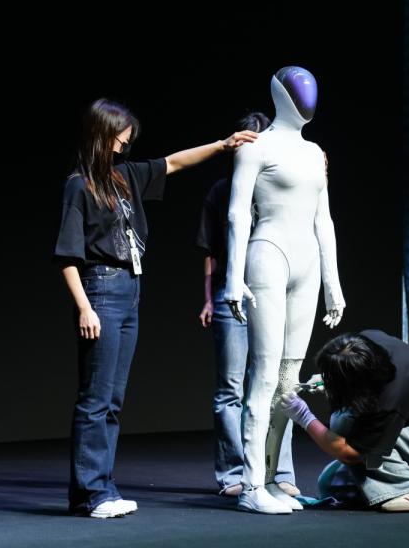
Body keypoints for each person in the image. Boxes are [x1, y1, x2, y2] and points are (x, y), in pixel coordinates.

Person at [54, 98, 257, 518]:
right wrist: (85, 308)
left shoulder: (125, 176)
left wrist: (223, 145)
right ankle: (90, 494)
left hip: (130, 288)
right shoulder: (79, 185)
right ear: (101, 134)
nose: (125, 144)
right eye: (120, 136)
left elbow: (175, 162)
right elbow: (68, 256)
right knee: (95, 398)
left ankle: (102, 488)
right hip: (101, 289)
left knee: (113, 400)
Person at [223, 66, 346, 514]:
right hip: (269, 255)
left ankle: (274, 479)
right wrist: (233, 276)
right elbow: (238, 214)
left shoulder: (314, 153)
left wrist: (333, 282)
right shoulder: (257, 147)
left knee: (288, 382)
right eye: (299, 92)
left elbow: (323, 220)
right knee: (263, 374)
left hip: (307, 264)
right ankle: (251, 485)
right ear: (280, 95)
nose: (307, 100)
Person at [196, 112, 302, 498]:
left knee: (278, 383)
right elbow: (210, 250)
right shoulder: (223, 190)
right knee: (230, 387)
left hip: (274, 291)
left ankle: (278, 471)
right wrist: (209, 298)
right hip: (232, 294)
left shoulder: (284, 184)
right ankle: (234, 474)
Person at [279, 329, 409, 512]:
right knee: (330, 484)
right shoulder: (368, 341)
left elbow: (350, 453)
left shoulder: (389, 399)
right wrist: (330, 378)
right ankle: (387, 485)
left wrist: (305, 417)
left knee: (345, 426)